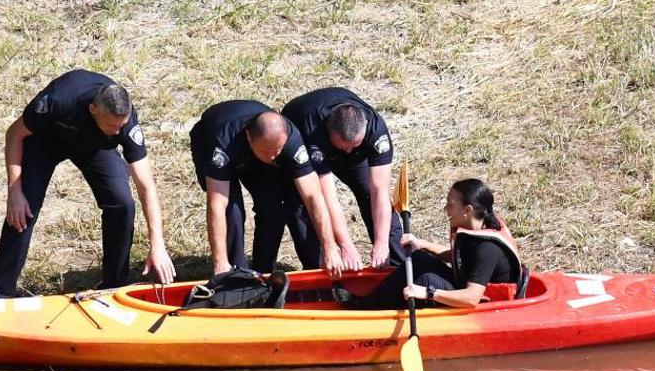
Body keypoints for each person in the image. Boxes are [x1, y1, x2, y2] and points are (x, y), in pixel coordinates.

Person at [0, 70, 175, 298]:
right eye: (112, 126)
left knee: (122, 204)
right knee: (24, 210)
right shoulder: (58, 100)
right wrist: (14, 191)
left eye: (121, 126)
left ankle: (114, 286)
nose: (118, 131)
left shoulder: (124, 122)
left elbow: (147, 186)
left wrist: (158, 244)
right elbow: (14, 134)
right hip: (46, 141)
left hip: (93, 146)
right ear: (93, 109)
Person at [189, 100, 344, 276]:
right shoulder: (223, 143)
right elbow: (216, 206)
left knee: (273, 209)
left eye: (278, 151)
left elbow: (313, 197)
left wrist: (329, 247)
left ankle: (262, 270)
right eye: (267, 152)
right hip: (211, 140)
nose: (272, 157)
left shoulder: (290, 141)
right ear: (249, 137)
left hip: (256, 150)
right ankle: (233, 272)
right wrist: (219, 261)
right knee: (232, 212)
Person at [352, 178, 526, 309]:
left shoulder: (487, 248)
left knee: (426, 280)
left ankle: (375, 312)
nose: (446, 210)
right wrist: (421, 244)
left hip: (485, 304)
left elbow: (472, 298)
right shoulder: (474, 226)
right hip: (466, 286)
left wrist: (427, 293)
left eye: (450, 205)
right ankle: (367, 304)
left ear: (467, 210)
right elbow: (457, 258)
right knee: (418, 257)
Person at [280, 87, 401, 271]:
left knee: (369, 192)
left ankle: (397, 262)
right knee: (303, 208)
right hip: (306, 144)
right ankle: (322, 268)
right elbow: (327, 197)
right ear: (329, 131)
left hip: (345, 146)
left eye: (355, 145)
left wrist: (381, 243)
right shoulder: (313, 131)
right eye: (343, 146)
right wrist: (345, 245)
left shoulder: (376, 130)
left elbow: (380, 191)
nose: (348, 151)